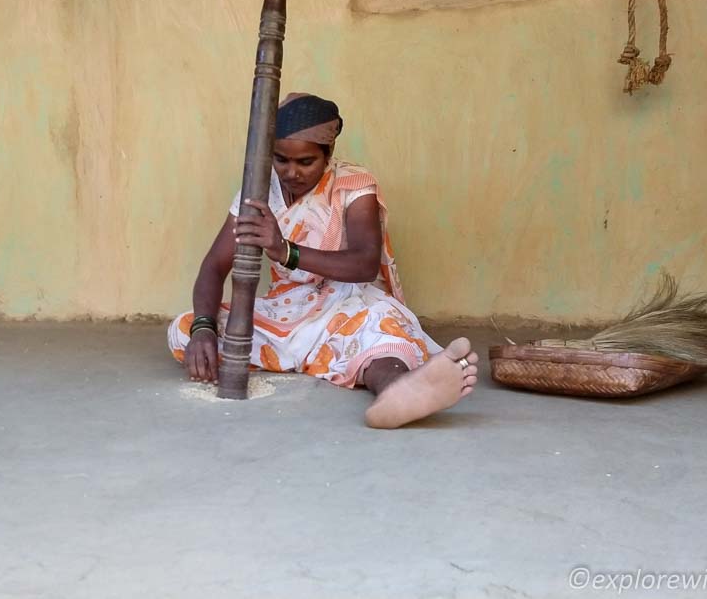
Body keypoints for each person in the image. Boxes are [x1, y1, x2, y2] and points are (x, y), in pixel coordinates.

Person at [168, 93, 478, 428]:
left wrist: (286, 251)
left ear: (328, 155)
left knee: (381, 333)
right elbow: (214, 266)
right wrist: (203, 328)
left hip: (350, 305)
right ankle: (321, 357)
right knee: (184, 328)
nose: (291, 172)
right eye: (281, 159)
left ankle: (397, 391)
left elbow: (364, 264)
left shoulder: (354, 185)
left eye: (305, 162)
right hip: (287, 312)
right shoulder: (257, 190)